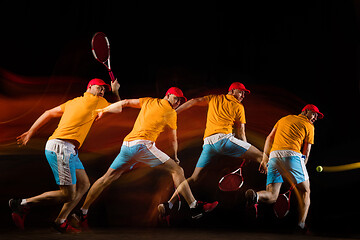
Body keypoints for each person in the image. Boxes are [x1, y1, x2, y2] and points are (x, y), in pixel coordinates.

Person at [74, 87, 218, 229]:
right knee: (177, 170)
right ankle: (194, 207)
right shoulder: (171, 113)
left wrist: (104, 110)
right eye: (176, 98)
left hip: (127, 146)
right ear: (167, 95)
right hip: (142, 146)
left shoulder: (148, 101)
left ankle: (83, 211)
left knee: (106, 178)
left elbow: (125, 102)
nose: (177, 103)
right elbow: (172, 139)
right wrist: (174, 157)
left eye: (180, 101)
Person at [10, 78, 120, 233]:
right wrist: (115, 92)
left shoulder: (72, 102)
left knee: (84, 185)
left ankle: (60, 221)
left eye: (104, 89)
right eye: (99, 88)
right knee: (68, 194)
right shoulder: (97, 102)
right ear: (89, 88)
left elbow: (48, 113)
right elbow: (119, 108)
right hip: (61, 147)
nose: (102, 91)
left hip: (67, 149)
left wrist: (31, 132)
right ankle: (21, 204)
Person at [164, 82, 267, 213]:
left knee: (194, 178)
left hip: (208, 144)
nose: (243, 96)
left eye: (244, 93)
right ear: (232, 91)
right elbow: (241, 132)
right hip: (223, 140)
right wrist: (246, 153)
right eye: (241, 92)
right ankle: (271, 193)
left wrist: (175, 112)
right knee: (262, 157)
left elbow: (195, 101)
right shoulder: (238, 106)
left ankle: (169, 204)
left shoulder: (214, 98)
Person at [245, 104, 323, 233]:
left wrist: (265, 158)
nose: (315, 117)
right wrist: (302, 166)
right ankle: (301, 225)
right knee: (305, 191)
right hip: (292, 156)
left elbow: (269, 138)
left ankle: (255, 196)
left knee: (272, 195)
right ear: (306, 111)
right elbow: (306, 150)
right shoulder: (309, 126)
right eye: (314, 114)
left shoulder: (284, 119)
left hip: (274, 157)